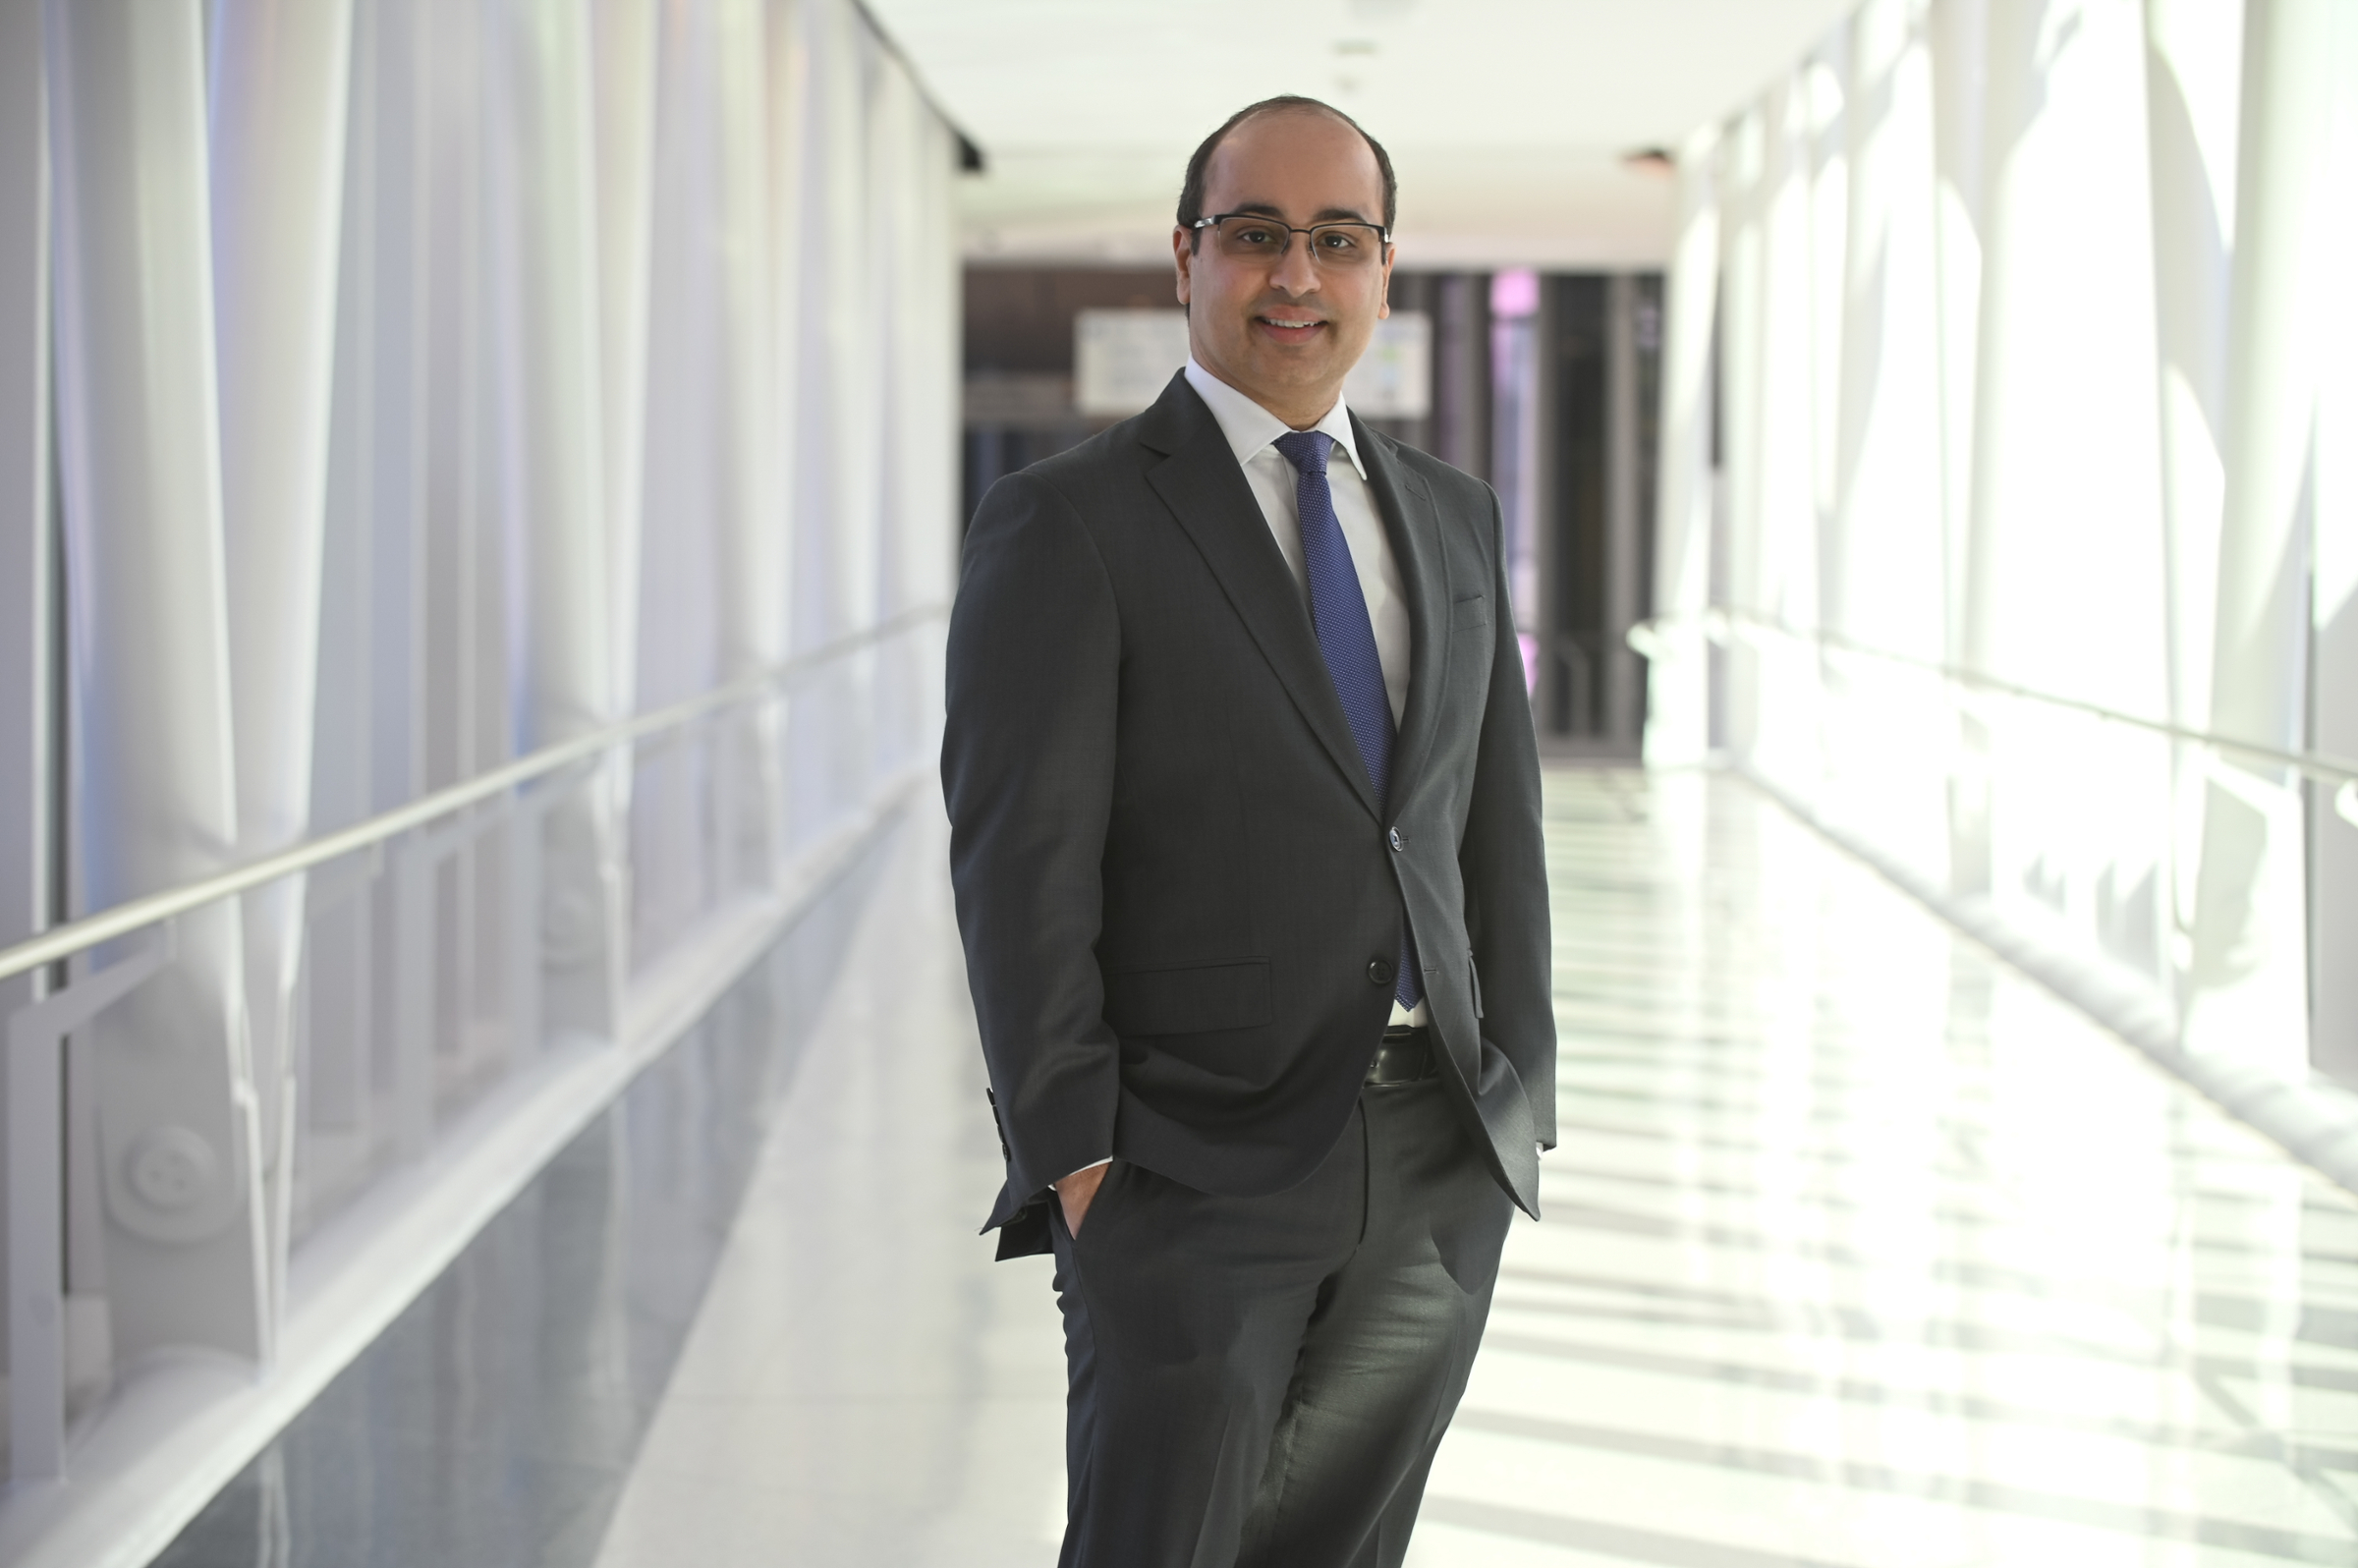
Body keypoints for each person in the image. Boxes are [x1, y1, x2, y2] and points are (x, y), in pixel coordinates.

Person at [941, 94, 1552, 1568]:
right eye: (1258, 235)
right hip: (1183, 1164)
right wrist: (1082, 1159)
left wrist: (1513, 1082)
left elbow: (1493, 834)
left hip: (1430, 1155)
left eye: (1338, 240)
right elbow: (1020, 868)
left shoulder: (1454, 520)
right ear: (1186, 259)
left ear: (1383, 272)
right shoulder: (1071, 523)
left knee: (1348, 1547)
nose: (1298, 275)